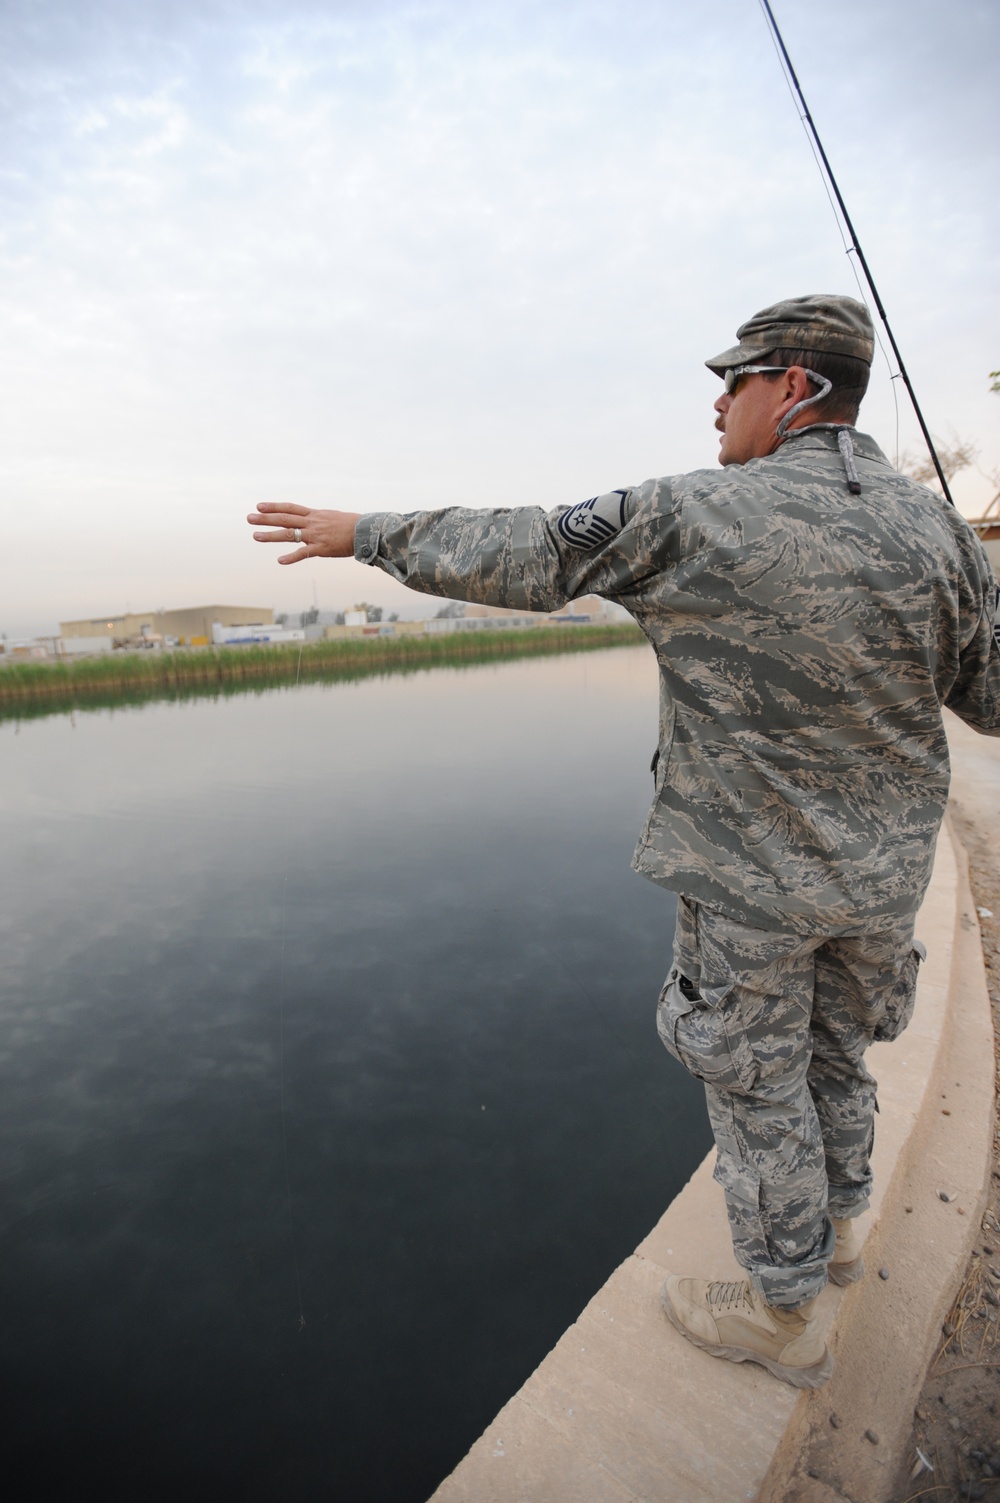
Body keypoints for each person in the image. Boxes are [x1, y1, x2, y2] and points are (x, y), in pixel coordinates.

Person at [247, 294, 1000, 1389]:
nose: (715, 403)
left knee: (755, 1084)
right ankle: (836, 1236)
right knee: (838, 1058)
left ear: (791, 385)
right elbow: (991, 695)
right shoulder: (935, 529)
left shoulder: (700, 513)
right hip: (883, 885)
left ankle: (785, 1316)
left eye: (732, 381)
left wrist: (365, 534)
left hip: (752, 892)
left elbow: (528, 551)